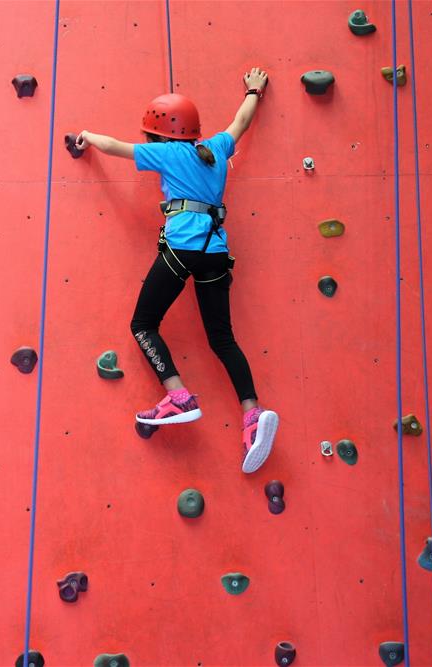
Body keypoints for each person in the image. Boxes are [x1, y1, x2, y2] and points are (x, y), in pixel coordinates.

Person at [73, 67, 278, 473]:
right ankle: (253, 416)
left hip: (182, 248)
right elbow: (241, 121)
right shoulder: (217, 148)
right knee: (222, 339)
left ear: (162, 135)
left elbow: (114, 146)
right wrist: (255, 90)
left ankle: (179, 397)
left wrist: (86, 136)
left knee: (143, 325)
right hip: (215, 252)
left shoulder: (168, 153)